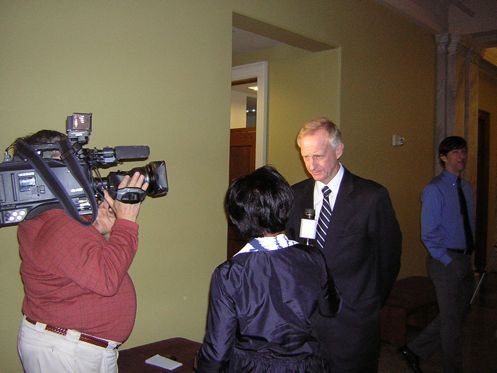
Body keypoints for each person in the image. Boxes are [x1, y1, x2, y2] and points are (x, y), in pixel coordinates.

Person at [14, 130, 149, 372]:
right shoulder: (59, 222)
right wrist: (127, 221)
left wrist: (105, 232)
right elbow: (106, 279)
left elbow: (80, 264)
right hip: (65, 351)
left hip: (69, 345)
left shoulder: (50, 214)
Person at [196, 165, 340, 372]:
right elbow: (331, 308)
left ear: (238, 217)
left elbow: (217, 350)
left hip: (252, 367)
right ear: (285, 207)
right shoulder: (314, 257)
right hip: (307, 365)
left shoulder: (229, 273)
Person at [286, 117, 402, 372]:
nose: (311, 165)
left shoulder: (370, 197)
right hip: (306, 321)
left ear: (338, 150)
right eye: (305, 157)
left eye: (318, 155)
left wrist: (367, 304)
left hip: (353, 322)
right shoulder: (296, 195)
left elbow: (388, 259)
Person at [399, 136, 475, 373]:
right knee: (451, 322)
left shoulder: (467, 188)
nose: (461, 157)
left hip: (464, 257)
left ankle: (414, 349)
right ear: (443, 158)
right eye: (455, 153)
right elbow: (428, 234)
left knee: (457, 313)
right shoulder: (434, 190)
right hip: (444, 261)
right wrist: (448, 260)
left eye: (463, 152)